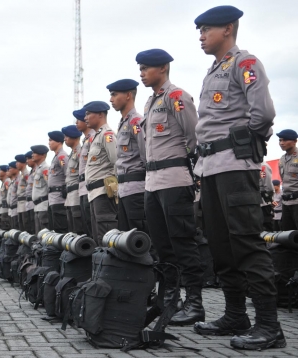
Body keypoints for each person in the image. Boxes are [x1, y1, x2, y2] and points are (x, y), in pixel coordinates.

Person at [192, 6, 285, 349]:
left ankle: (270, 326)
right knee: (220, 246)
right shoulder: (214, 70)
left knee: (246, 244)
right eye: (199, 30)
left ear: (227, 29)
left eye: (206, 29)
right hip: (211, 168)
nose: (201, 36)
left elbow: (263, 113)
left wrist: (244, 143)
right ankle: (235, 315)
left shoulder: (246, 63)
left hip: (235, 165)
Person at [137, 48, 205, 325]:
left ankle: (195, 302)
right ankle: (170, 299)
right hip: (152, 183)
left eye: (145, 68)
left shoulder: (177, 97)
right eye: (140, 68)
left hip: (175, 179)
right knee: (163, 247)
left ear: (162, 68)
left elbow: (195, 137)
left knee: (183, 243)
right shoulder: (150, 103)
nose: (141, 73)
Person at [107, 78, 150, 235]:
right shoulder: (123, 122)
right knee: (127, 240)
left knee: (140, 238)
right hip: (124, 190)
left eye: (114, 94)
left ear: (128, 96)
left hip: (136, 189)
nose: (111, 99)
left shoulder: (136, 121)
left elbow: (146, 153)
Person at [83, 101, 118, 245]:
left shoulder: (107, 134)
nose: (85, 118)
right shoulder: (96, 137)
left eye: (88, 113)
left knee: (106, 235)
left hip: (104, 192)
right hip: (94, 193)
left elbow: (116, 161)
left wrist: (115, 188)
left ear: (100, 114)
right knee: (98, 236)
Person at [75, 108, 95, 238]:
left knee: (94, 224)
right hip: (83, 187)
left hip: (92, 185)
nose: (76, 123)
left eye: (78, 119)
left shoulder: (94, 137)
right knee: (86, 223)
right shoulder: (86, 140)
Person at [62, 124, 84, 233]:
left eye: (67, 136)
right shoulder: (72, 154)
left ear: (74, 137)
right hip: (70, 196)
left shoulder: (80, 152)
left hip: (77, 195)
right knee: (72, 230)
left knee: (79, 229)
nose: (64, 139)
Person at [47, 131, 69, 233]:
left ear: (59, 141)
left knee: (61, 228)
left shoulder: (62, 156)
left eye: (51, 140)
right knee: (55, 228)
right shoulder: (56, 157)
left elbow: (68, 174)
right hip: (53, 198)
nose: (49, 142)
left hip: (60, 198)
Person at [278, 129, 298, 230]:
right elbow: (283, 180)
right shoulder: (281, 159)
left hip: (297, 202)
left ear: (295, 141)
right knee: (287, 237)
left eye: (285, 140)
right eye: (280, 140)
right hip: (286, 203)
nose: (281, 143)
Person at [31, 145, 50, 234]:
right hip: (37, 206)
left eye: (35, 153)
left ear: (42, 155)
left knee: (44, 233)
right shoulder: (38, 169)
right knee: (38, 233)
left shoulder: (45, 168)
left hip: (43, 206)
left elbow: (49, 185)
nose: (32, 155)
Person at [15, 154, 29, 232]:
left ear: (23, 163)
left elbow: (30, 187)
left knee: (25, 226)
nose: (16, 164)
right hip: (20, 204)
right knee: (21, 226)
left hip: (24, 203)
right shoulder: (21, 175)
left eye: (18, 162)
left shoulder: (26, 174)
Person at [24, 151, 36, 234]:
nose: (27, 161)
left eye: (28, 158)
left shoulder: (39, 170)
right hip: (28, 204)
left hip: (35, 203)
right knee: (30, 227)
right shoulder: (31, 172)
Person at [260, 162, 274, 231]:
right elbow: (269, 187)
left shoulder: (263, 166)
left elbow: (268, 187)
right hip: (260, 203)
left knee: (266, 225)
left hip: (263, 202)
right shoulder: (261, 166)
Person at [7, 161, 20, 229]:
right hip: (11, 209)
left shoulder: (19, 179)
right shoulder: (12, 182)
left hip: (17, 208)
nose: (8, 170)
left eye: (10, 168)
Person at [0, 165, 11, 230]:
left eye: (0, 170)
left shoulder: (7, 181)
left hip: (6, 208)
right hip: (3, 208)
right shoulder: (3, 183)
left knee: (6, 226)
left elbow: (9, 194)